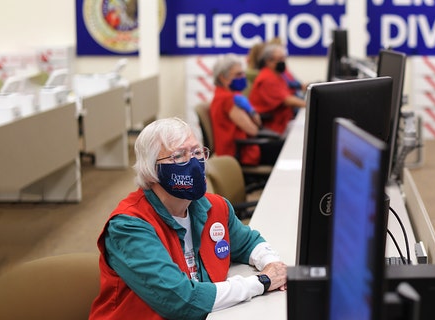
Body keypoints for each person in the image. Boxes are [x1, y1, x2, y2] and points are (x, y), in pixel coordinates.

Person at [89, 117, 287, 319]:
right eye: (178, 156)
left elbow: (248, 243)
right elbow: (181, 301)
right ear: (150, 171)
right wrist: (261, 282)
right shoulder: (128, 227)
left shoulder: (213, 207)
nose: (193, 163)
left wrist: (273, 265)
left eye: (197, 152)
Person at [210, 54, 282, 166]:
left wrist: (249, 108)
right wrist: (251, 111)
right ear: (222, 77)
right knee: (283, 148)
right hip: (239, 154)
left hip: (240, 149)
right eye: (238, 74)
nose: (243, 77)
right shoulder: (227, 99)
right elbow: (253, 129)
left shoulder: (228, 95)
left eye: (243, 73)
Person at [249, 43, 306, 135]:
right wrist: (309, 105)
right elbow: (287, 100)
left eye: (284, 58)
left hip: (283, 122)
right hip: (274, 126)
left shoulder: (277, 75)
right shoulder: (267, 78)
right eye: (280, 59)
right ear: (268, 61)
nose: (283, 62)